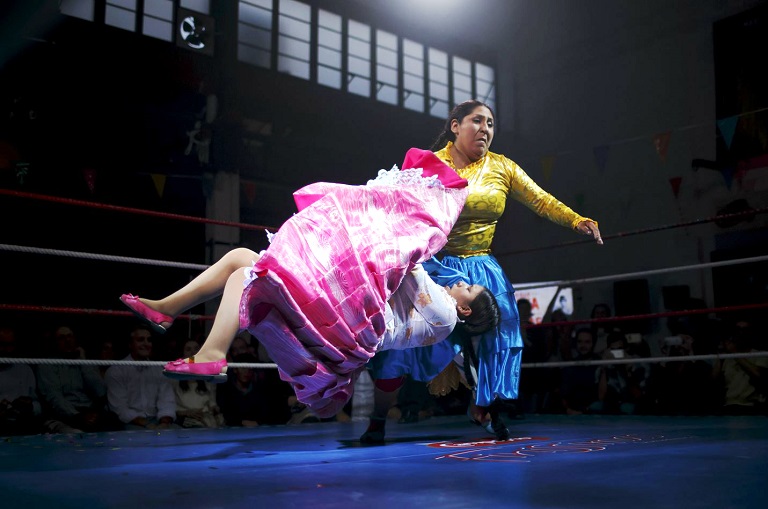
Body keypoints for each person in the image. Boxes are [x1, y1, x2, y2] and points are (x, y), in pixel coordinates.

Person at [120, 148, 500, 421]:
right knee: (240, 258)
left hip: (352, 325)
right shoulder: (443, 313)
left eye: (469, 289)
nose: (463, 283)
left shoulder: (447, 316)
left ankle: (210, 354)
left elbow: (405, 266)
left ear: (466, 308)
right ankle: (168, 310)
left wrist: (411, 228)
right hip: (348, 315)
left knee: (248, 276)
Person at [365, 100, 603, 442]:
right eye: (477, 121)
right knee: (403, 340)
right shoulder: (429, 166)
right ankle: (377, 418)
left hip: (482, 267)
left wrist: (576, 220)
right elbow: (399, 211)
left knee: (502, 334)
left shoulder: (502, 167)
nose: (485, 129)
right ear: (455, 126)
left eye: (491, 123)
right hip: (433, 264)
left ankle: (483, 409)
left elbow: (540, 199)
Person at [104, 324, 178, 430]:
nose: (146, 344)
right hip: (130, 423)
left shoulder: (159, 369)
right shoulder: (116, 371)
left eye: (149, 340)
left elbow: (167, 401)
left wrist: (164, 423)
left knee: (178, 434)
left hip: (158, 421)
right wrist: (147, 425)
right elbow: (120, 409)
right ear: (130, 344)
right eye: (140, 340)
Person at [172, 338, 224, 428]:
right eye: (188, 349)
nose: (193, 353)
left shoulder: (209, 379)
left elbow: (212, 404)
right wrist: (187, 413)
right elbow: (169, 408)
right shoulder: (173, 379)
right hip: (184, 420)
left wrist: (215, 410)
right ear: (182, 356)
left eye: (196, 349)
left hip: (206, 419)